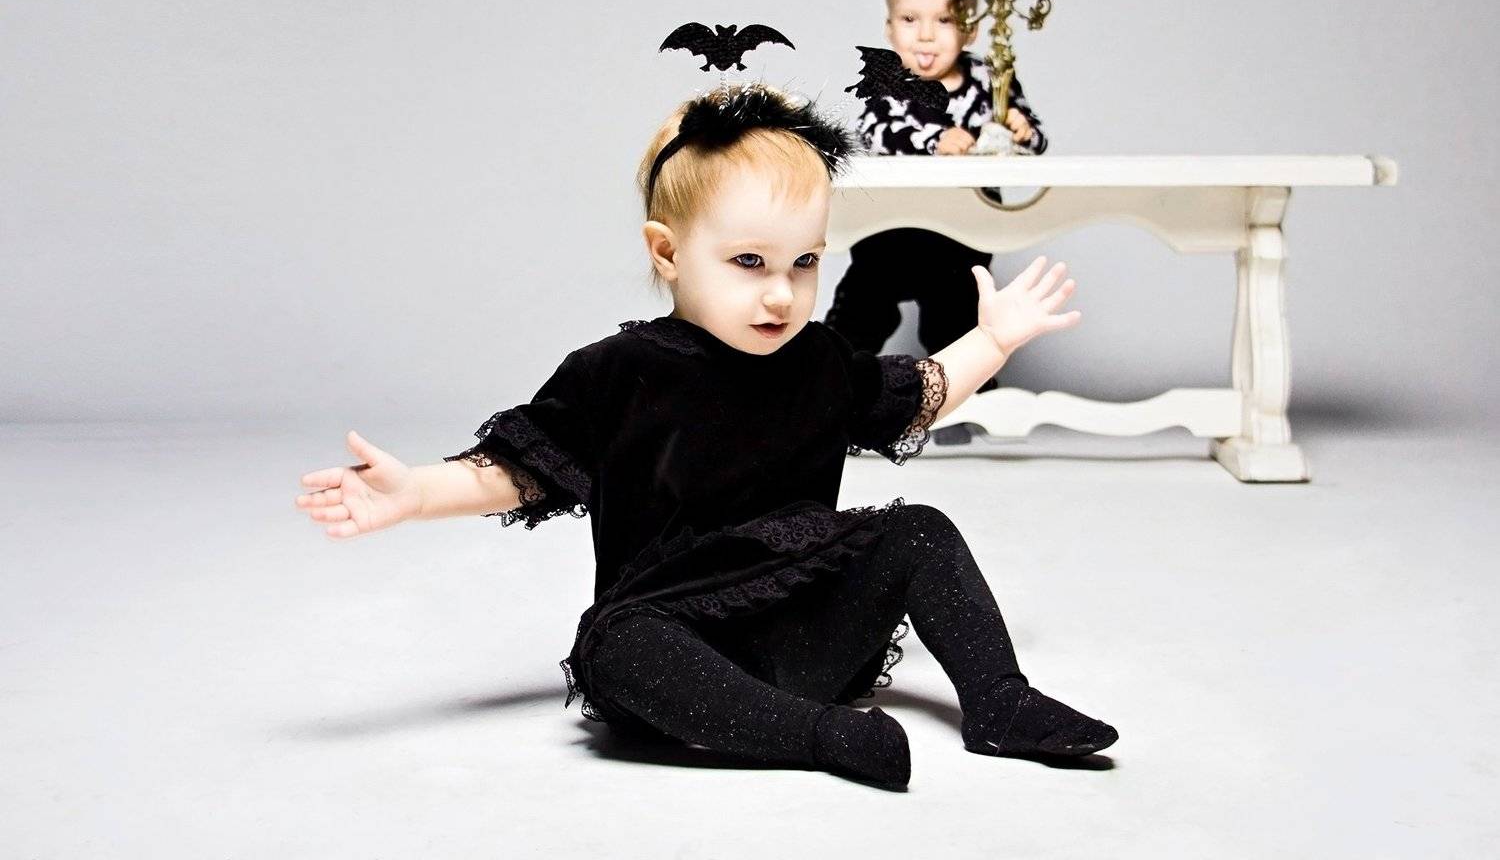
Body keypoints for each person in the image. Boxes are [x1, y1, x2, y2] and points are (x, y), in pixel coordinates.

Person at [295, 83, 1113, 790]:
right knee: (617, 646)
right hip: (680, 636)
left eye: (804, 263)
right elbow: (519, 469)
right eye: (750, 262)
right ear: (669, 252)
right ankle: (816, 735)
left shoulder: (821, 359)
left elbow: (918, 394)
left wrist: (992, 342)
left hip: (803, 628)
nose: (782, 294)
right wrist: (413, 494)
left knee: (920, 530)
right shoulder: (620, 371)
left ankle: (999, 699)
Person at [827, 0, 1049, 435]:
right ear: (889, 28)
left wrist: (1020, 129)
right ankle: (822, 398)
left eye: (944, 20)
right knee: (859, 317)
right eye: (910, 20)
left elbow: (1034, 139)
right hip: (889, 236)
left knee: (960, 324)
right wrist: (934, 140)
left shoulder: (989, 79)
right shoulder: (887, 81)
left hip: (959, 240)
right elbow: (876, 132)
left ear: (971, 28)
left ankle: (970, 412)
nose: (925, 35)